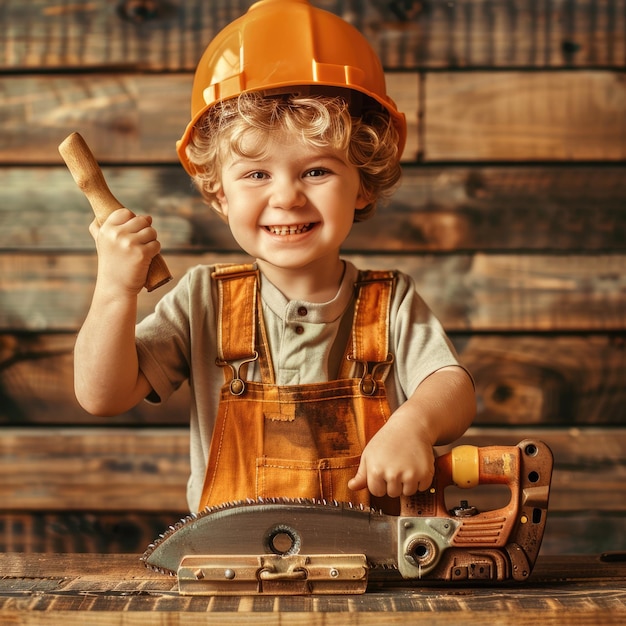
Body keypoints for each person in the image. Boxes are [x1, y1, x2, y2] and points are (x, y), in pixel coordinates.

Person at [74, 0, 475, 514]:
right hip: (231, 569)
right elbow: (102, 395)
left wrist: (413, 424)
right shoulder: (202, 301)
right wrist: (113, 290)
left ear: (363, 184)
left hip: (371, 576)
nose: (286, 197)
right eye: (256, 174)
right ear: (220, 194)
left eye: (316, 171)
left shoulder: (391, 301)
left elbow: (453, 387)